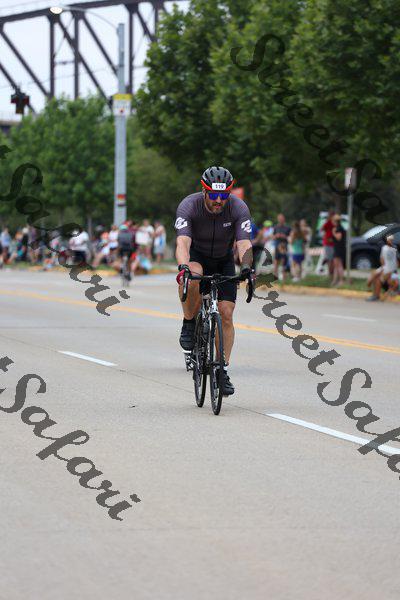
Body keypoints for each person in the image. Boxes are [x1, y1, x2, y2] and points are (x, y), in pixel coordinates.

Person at [175, 165, 253, 397]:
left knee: (226, 313)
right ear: (204, 191)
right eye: (214, 194)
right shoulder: (189, 206)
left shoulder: (238, 207)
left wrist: (247, 268)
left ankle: (221, 369)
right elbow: (183, 242)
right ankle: (189, 321)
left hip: (223, 260)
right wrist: (183, 267)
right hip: (197, 256)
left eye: (224, 195)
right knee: (193, 276)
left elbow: (244, 243)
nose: (219, 200)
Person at [367, 234, 398, 301]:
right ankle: (373, 292)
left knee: (379, 280)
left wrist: (392, 271)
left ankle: (376, 295)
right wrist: (383, 268)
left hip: (391, 269)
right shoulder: (384, 248)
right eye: (389, 239)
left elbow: (396, 262)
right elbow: (382, 259)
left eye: (391, 239)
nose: (390, 241)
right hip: (386, 268)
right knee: (374, 276)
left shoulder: (394, 249)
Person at [273, 214, 291, 282]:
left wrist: (284, 236)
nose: (280, 220)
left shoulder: (288, 228)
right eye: (279, 219)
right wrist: (276, 236)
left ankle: (284, 278)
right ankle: (275, 277)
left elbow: (291, 237)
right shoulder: (275, 227)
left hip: (284, 246)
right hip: (277, 246)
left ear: (284, 219)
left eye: (282, 219)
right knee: (276, 261)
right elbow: (273, 236)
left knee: (284, 261)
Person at [331, 214, 346, 286]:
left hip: (339, 249)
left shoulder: (339, 229)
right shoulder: (339, 228)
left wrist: (333, 232)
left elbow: (339, 238)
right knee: (336, 265)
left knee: (339, 265)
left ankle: (341, 280)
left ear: (336, 221)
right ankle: (335, 280)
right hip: (337, 248)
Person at [321, 209, 335, 277]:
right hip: (328, 243)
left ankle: (332, 273)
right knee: (330, 259)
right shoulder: (328, 222)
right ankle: (330, 274)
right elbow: (322, 229)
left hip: (333, 243)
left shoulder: (333, 223)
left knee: (332, 260)